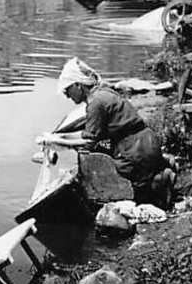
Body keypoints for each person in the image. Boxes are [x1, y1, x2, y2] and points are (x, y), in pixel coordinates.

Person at [56, 58, 175, 208]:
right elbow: (94, 131)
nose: (67, 95)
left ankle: (156, 182)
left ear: (78, 86)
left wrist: (62, 143)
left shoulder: (95, 103)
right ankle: (159, 169)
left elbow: (89, 140)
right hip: (147, 141)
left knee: (138, 194)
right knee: (99, 147)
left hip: (135, 150)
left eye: (67, 90)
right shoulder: (104, 91)